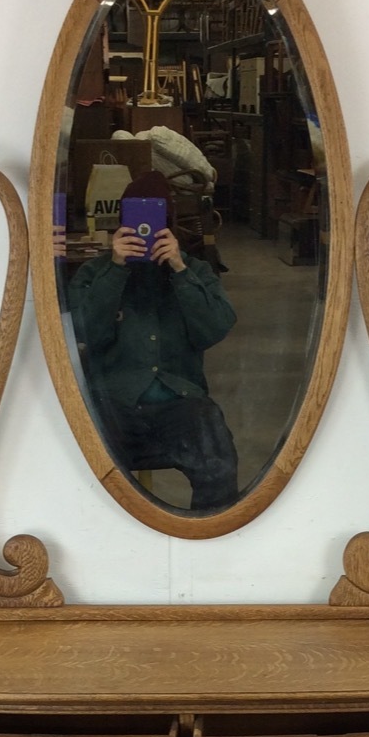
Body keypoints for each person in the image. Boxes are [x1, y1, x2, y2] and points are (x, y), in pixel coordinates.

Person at [65, 172, 240, 510]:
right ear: (121, 222)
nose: (145, 230)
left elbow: (215, 328)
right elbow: (85, 331)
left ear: (170, 223)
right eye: (134, 219)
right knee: (75, 468)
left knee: (218, 462)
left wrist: (179, 269)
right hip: (112, 403)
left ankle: (209, 544)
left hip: (181, 403)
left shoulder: (194, 271)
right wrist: (116, 269)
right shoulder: (95, 273)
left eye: (158, 219)